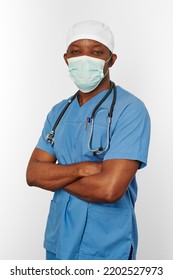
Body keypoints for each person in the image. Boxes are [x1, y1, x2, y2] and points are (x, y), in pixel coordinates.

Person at [26, 20, 151, 260]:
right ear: (66, 59)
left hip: (106, 245)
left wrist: (53, 176)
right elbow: (32, 174)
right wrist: (84, 169)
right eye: (76, 52)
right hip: (59, 241)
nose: (84, 59)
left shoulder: (130, 109)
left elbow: (109, 189)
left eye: (96, 52)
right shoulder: (59, 112)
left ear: (111, 60)